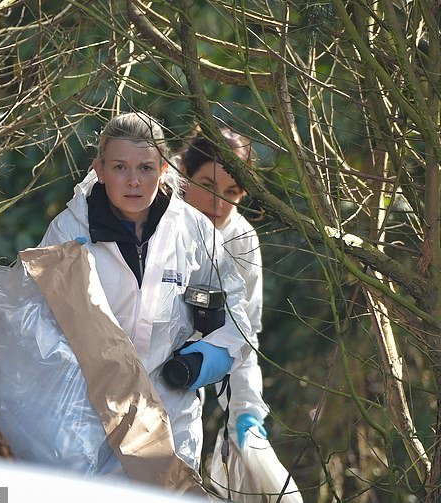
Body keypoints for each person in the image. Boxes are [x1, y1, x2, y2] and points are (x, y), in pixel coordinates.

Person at [38, 112, 253, 472]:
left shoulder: (194, 231)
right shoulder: (70, 231)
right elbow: (37, 322)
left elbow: (237, 319)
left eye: (146, 168)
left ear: (165, 169)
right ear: (100, 170)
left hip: (170, 420)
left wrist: (199, 364)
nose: (134, 181)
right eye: (120, 167)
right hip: (85, 418)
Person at [180, 128, 302, 502]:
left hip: (182, 388)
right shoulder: (153, 220)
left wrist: (247, 416)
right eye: (207, 183)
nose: (217, 203)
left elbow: (243, 339)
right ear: (183, 173)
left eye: (232, 192)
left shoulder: (242, 241)